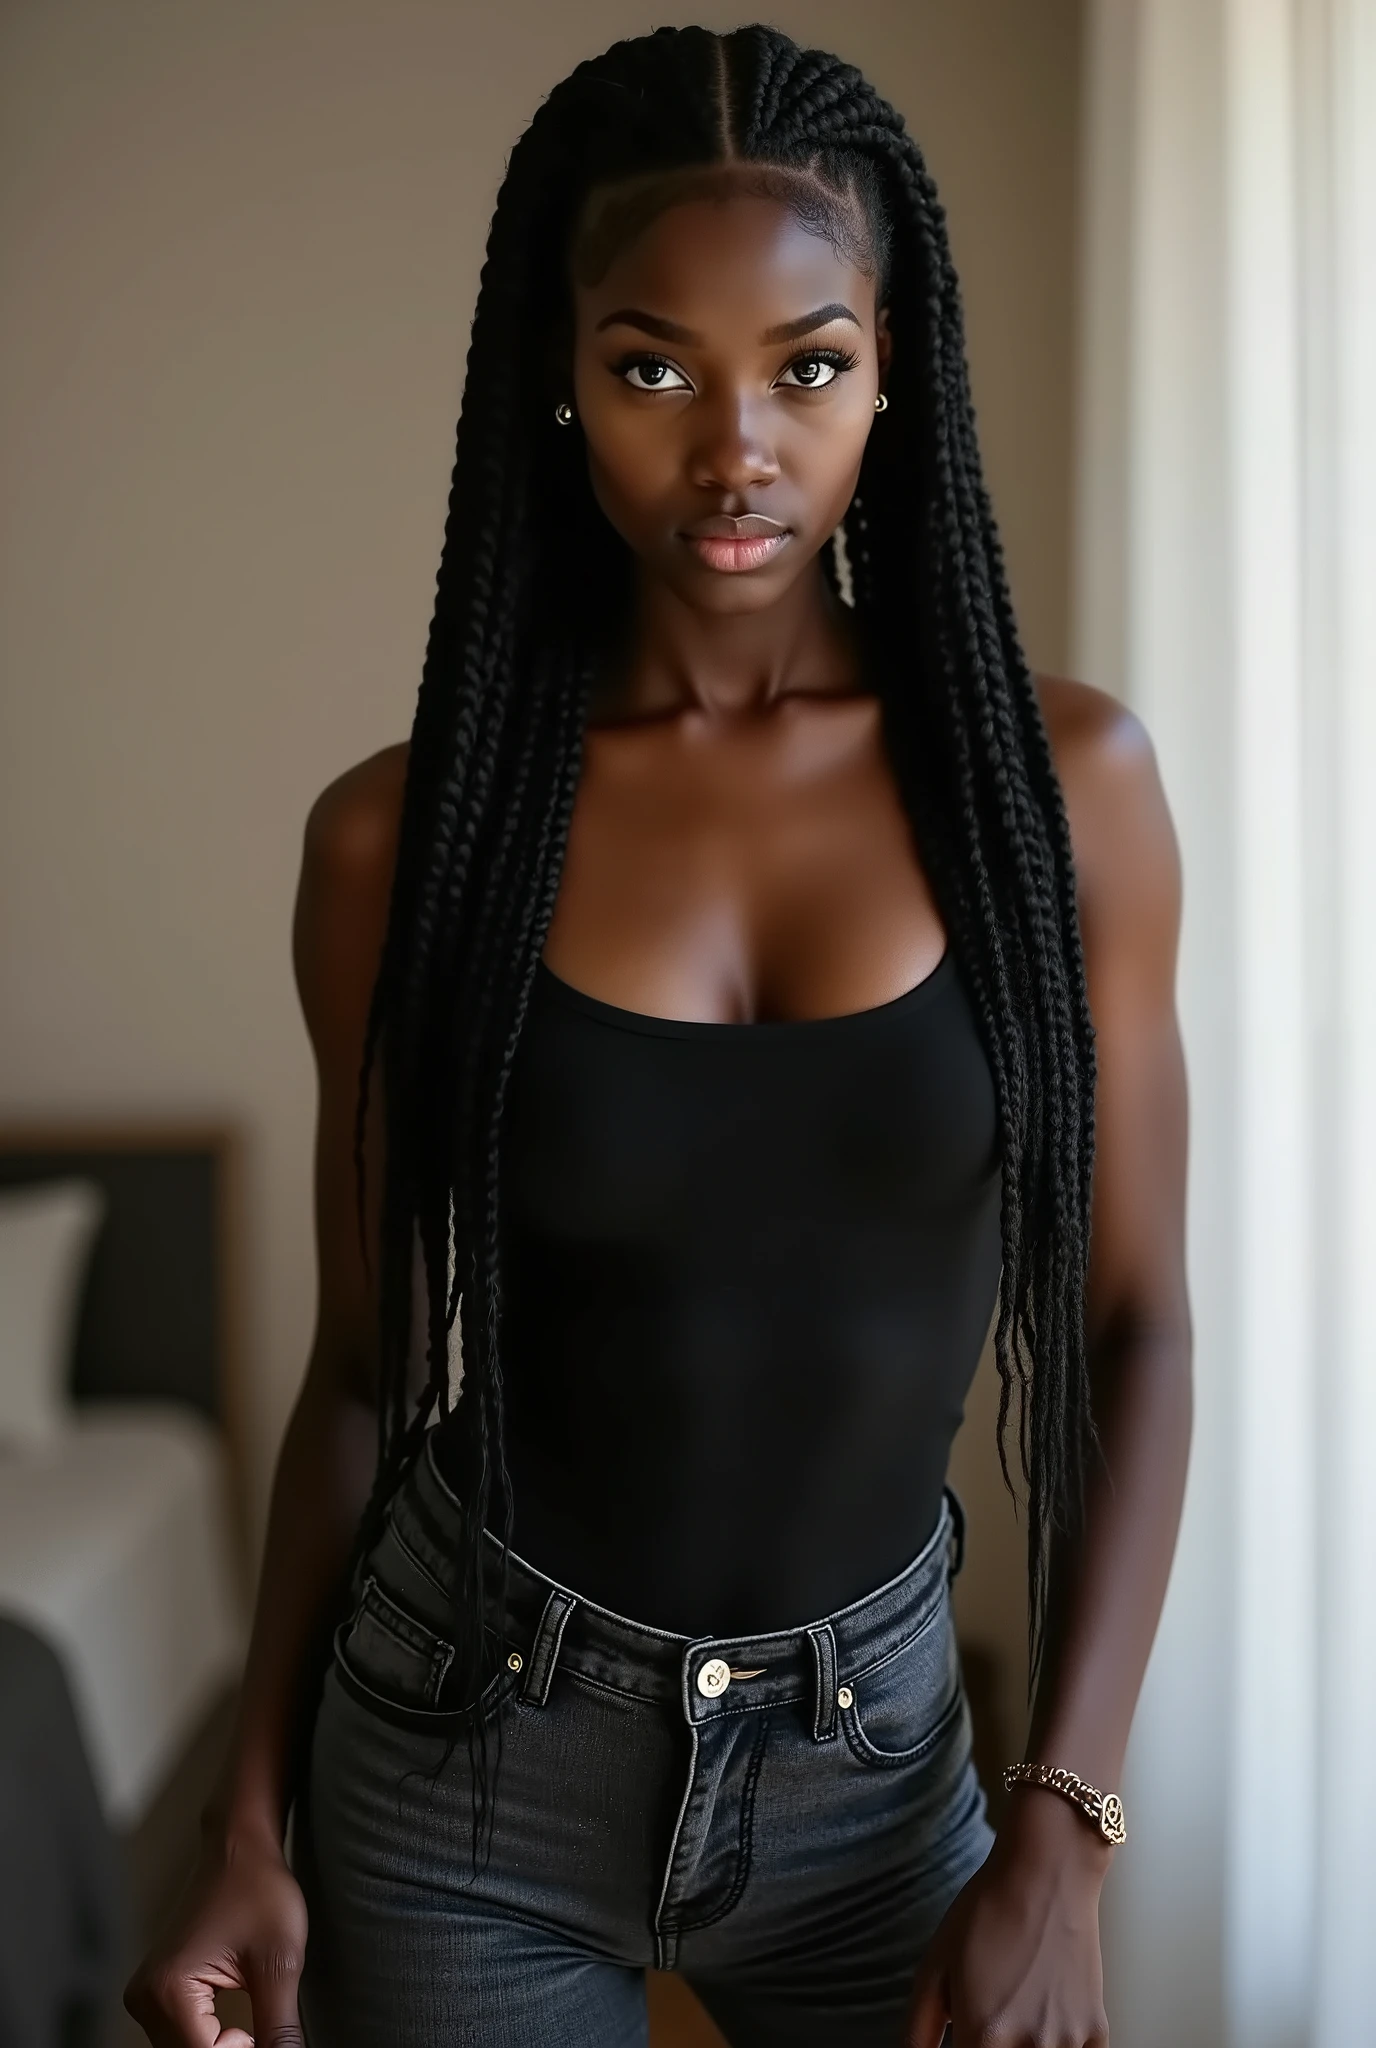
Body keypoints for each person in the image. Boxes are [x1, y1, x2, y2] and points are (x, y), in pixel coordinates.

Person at [125, 24, 1191, 2048]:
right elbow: (363, 1373)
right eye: (652, 368)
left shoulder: (1064, 794)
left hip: (882, 1776)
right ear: (558, 372)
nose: (734, 450)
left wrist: (1059, 1823)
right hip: (461, 1749)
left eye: (805, 366)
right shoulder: (401, 843)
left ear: (895, 372)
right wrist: (241, 1819)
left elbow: (1144, 1325)